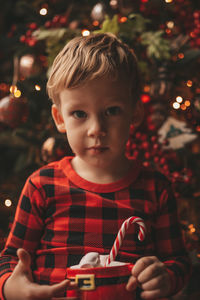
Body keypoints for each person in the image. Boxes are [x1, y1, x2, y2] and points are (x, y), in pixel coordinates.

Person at [0, 33, 191, 300]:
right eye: (79, 114)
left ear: (135, 113)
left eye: (112, 111)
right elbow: (8, 260)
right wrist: (14, 288)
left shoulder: (155, 188)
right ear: (59, 118)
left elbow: (178, 262)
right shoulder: (41, 186)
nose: (96, 129)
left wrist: (165, 277)